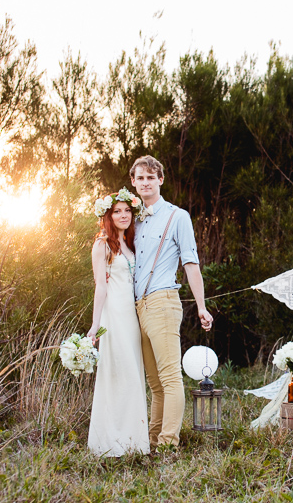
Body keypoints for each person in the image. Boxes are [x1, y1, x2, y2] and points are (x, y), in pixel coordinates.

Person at [131, 155, 213, 449]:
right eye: (140, 178)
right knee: (155, 385)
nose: (146, 183)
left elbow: (191, 263)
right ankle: (152, 441)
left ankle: (168, 444)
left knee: (170, 378)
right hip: (137, 308)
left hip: (163, 302)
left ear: (161, 180)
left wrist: (201, 306)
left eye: (151, 177)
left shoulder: (177, 217)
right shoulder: (132, 219)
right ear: (133, 182)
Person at [86, 189, 150, 457]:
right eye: (117, 211)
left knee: (134, 374)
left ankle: (135, 441)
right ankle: (108, 442)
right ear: (108, 216)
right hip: (113, 316)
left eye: (127, 211)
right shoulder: (102, 245)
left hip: (132, 316)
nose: (124, 215)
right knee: (117, 374)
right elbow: (100, 286)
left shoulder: (130, 243)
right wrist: (94, 325)